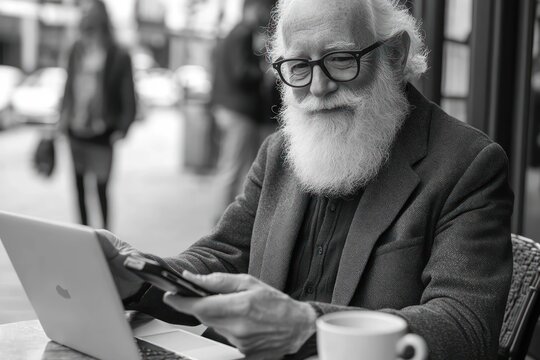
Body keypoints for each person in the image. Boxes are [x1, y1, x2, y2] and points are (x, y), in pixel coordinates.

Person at [97, 0, 513, 359]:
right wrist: (141, 275)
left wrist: (307, 327)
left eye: (340, 60)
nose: (318, 86)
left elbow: (464, 329)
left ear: (395, 54)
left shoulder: (467, 164)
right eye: (298, 66)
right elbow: (224, 254)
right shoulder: (280, 151)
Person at [58, 0, 136, 229]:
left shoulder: (118, 54)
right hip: (76, 131)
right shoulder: (76, 49)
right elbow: (68, 85)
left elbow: (129, 95)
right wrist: (62, 118)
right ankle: (83, 235)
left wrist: (122, 127)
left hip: (103, 133)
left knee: (101, 190)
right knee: (79, 190)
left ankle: (104, 238)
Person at [210, 0, 271, 222]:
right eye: (261, 9)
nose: (264, 14)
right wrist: (264, 72)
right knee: (234, 167)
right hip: (239, 110)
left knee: (232, 166)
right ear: (251, 8)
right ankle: (222, 222)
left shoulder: (234, 32)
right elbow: (241, 73)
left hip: (228, 108)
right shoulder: (243, 33)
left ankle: (224, 219)